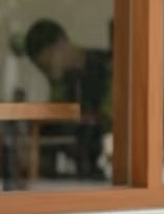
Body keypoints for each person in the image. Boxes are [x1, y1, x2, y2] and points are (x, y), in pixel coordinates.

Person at [22, 19, 112, 179]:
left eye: (48, 65)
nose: (49, 72)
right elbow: (54, 118)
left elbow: (110, 116)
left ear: (61, 43)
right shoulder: (62, 81)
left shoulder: (108, 67)